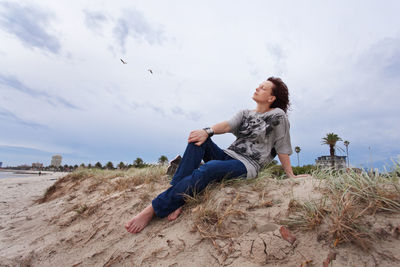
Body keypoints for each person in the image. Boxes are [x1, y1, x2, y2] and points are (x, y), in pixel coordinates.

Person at [125, 77, 308, 234]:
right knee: (197, 139)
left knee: (208, 169)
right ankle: (178, 200)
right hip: (228, 155)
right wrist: (207, 131)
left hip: (247, 165)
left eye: (263, 88)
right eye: (258, 85)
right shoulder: (245, 113)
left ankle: (153, 209)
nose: (257, 88)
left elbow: (282, 145)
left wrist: (290, 174)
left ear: (271, 97)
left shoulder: (278, 116)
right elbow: (227, 125)